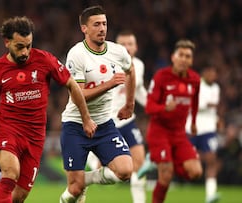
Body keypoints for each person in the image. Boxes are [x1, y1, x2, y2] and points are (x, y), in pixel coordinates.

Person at [0, 16, 97, 203]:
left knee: (17, 198)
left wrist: (86, 119)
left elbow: (72, 85)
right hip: (8, 129)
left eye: (28, 46)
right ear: (7, 42)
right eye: (19, 47)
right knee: (10, 173)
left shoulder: (44, 60)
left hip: (35, 136)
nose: (25, 52)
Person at [59, 5, 136, 203]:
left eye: (104, 24)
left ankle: (84, 180)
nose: (102, 28)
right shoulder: (77, 55)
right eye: (96, 25)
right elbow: (79, 94)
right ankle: (73, 189)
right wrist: (109, 84)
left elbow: (131, 69)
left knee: (126, 170)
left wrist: (129, 104)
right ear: (84, 28)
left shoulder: (117, 51)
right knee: (74, 191)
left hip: (104, 125)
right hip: (75, 125)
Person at [85, 30, 148, 203]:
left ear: (136, 47)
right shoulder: (106, 65)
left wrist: (153, 106)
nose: (127, 48)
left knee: (140, 163)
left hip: (128, 121)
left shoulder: (139, 66)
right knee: (109, 171)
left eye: (130, 44)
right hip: (107, 122)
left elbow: (139, 90)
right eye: (123, 44)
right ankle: (92, 164)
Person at [145, 39, 203, 203]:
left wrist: (193, 122)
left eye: (188, 56)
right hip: (159, 132)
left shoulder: (195, 80)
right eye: (181, 55)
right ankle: (160, 162)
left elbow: (195, 101)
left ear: (191, 60)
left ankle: (157, 161)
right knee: (165, 176)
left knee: (196, 171)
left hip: (179, 134)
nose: (184, 59)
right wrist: (164, 108)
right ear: (173, 57)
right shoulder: (161, 76)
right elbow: (149, 107)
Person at [185, 66, 221, 203]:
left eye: (214, 73)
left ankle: (210, 194)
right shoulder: (195, 85)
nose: (212, 75)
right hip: (192, 128)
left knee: (212, 160)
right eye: (210, 72)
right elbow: (191, 104)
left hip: (209, 130)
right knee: (187, 162)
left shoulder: (216, 88)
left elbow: (213, 109)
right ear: (204, 73)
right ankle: (155, 159)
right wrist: (206, 105)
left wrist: (217, 119)